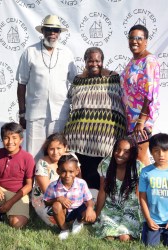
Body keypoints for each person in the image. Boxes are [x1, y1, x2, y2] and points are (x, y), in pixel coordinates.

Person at [63, 47, 127, 190]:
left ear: (102, 61)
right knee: (82, 177)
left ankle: (101, 207)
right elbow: (69, 101)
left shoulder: (114, 78)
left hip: (106, 138)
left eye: (97, 60)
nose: (94, 64)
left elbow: (125, 101)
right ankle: (83, 206)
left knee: (104, 177)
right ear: (85, 62)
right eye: (90, 61)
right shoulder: (78, 80)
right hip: (79, 137)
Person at [16, 14, 77, 162]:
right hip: (35, 113)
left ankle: (58, 185)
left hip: (60, 113)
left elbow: (75, 82)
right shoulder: (30, 52)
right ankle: (34, 185)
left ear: (60, 33)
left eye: (56, 30)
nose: (52, 33)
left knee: (59, 154)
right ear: (42, 31)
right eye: (49, 30)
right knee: (33, 154)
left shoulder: (67, 53)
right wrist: (22, 112)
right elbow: (21, 83)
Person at [0, 122, 35, 228]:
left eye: (14, 138)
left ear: (21, 140)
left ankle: (9, 210)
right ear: (2, 139)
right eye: (6, 138)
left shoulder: (27, 158)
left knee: (17, 224)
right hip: (0, 191)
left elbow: (29, 186)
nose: (10, 142)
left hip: (18, 194)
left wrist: (10, 202)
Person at [121, 24, 160, 166]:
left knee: (140, 157)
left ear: (146, 41)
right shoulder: (132, 61)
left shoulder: (149, 61)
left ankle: (146, 188)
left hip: (141, 119)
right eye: (131, 38)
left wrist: (141, 121)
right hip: (131, 119)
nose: (134, 41)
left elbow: (150, 94)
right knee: (134, 157)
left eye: (139, 38)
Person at [139, 133, 168, 247]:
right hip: (153, 221)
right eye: (156, 151)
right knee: (150, 246)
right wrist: (148, 219)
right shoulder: (145, 172)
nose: (161, 155)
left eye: (165, 151)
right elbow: (142, 197)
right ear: (151, 152)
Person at [94, 137, 144, 241]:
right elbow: (102, 191)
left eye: (126, 152)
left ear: (132, 154)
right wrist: (97, 215)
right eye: (117, 149)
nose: (120, 154)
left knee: (124, 238)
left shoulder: (138, 168)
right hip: (110, 207)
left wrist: (144, 217)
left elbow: (141, 195)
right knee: (108, 236)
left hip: (131, 209)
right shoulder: (106, 164)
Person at [43, 154, 96, 240]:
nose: (67, 175)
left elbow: (89, 200)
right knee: (56, 205)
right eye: (64, 171)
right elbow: (46, 201)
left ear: (77, 171)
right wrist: (58, 199)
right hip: (64, 212)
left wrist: (90, 208)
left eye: (71, 172)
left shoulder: (82, 183)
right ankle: (64, 229)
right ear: (58, 171)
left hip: (78, 208)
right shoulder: (53, 186)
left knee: (92, 216)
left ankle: (78, 222)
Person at [31, 132, 68, 226]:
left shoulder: (72, 159)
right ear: (47, 150)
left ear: (65, 147)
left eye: (59, 148)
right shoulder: (42, 164)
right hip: (47, 201)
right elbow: (48, 193)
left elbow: (79, 182)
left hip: (69, 196)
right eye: (52, 149)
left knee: (92, 198)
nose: (55, 152)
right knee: (56, 210)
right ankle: (66, 222)